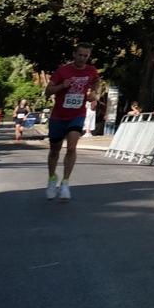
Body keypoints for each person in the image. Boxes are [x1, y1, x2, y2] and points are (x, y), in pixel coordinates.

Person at [45, 42, 102, 201]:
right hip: (58, 116)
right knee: (54, 150)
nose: (83, 58)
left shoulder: (91, 71)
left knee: (71, 148)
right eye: (80, 55)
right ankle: (51, 179)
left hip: (77, 115)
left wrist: (94, 95)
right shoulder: (63, 71)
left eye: (86, 56)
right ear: (74, 54)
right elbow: (47, 91)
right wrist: (62, 85)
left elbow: (97, 82)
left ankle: (65, 182)